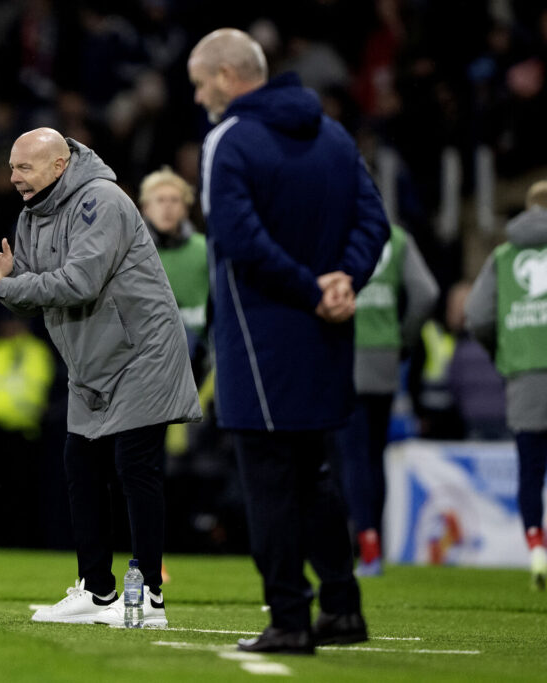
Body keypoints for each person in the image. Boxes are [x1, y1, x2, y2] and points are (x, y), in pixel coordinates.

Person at [0, 127, 201, 627]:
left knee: (135, 468)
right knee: (80, 467)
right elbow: (39, 297)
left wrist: (11, 285)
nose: (13, 176)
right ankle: (98, 591)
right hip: (90, 365)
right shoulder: (31, 217)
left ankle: (148, 593)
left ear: (59, 166)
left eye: (25, 167)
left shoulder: (101, 200)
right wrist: (10, 277)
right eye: (11, 167)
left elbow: (79, 282)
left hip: (141, 355)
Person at [188, 29, 389, 653]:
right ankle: (342, 607)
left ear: (225, 76)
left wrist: (309, 291)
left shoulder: (229, 139)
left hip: (261, 338)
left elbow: (239, 241)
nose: (198, 99)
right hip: (327, 335)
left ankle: (289, 617)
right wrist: (341, 283)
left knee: (271, 484)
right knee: (315, 474)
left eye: (199, 84)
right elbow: (373, 220)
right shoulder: (333, 134)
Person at [334, 224, 439, 576]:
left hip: (342, 353)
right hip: (384, 358)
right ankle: (373, 547)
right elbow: (426, 293)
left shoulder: (330, 230)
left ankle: (365, 549)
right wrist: (401, 337)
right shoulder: (396, 237)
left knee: (351, 459)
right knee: (373, 456)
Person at [466, 179, 547, 590]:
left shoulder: (502, 255)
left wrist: (505, 352)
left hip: (524, 378)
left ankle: (537, 550)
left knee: (531, 473)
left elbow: (477, 317)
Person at [138, 166, 210, 383]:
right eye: (160, 200)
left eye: (174, 200)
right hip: (151, 358)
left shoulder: (204, 250)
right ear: (145, 208)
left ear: (185, 208)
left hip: (206, 355)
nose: (167, 207)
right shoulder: (133, 256)